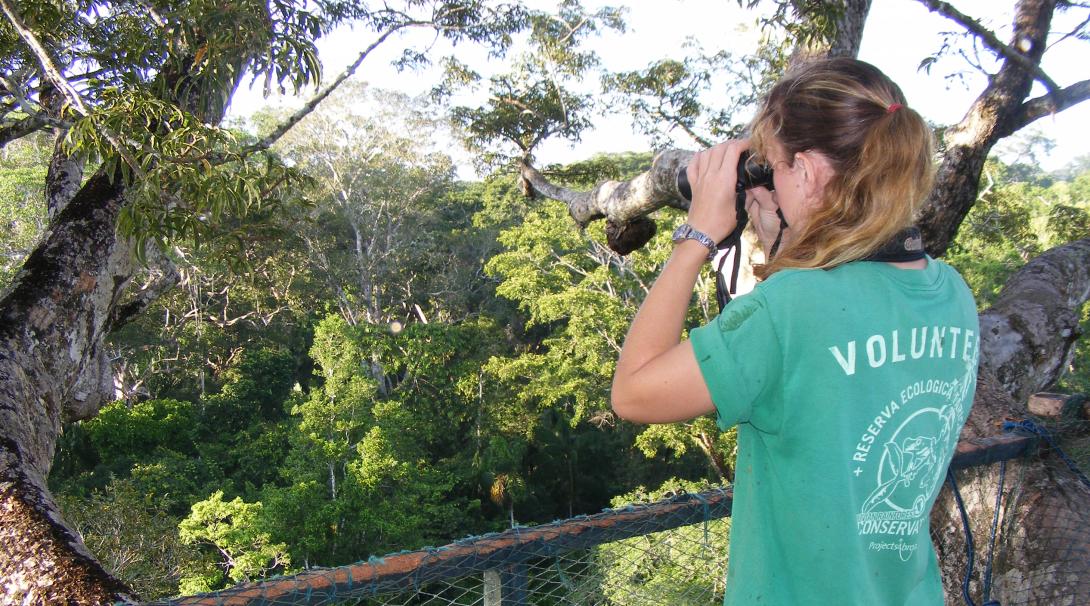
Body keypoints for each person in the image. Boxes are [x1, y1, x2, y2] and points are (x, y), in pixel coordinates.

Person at [610, 58, 979, 605]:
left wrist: (696, 238)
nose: (771, 183)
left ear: (805, 172)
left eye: (776, 169)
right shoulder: (951, 293)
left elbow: (633, 393)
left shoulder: (791, 308)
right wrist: (784, 243)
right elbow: (830, 393)